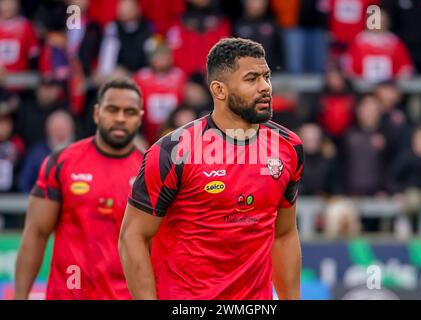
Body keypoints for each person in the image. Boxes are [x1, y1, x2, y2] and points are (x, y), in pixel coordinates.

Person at [119, 38, 304, 300]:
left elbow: (284, 235)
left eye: (266, 76)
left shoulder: (289, 147)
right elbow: (133, 237)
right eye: (251, 79)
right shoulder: (172, 152)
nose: (265, 87)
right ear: (219, 90)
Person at [14, 78, 144, 300]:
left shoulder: (150, 171)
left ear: (140, 118)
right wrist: (19, 296)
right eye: (112, 110)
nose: (120, 118)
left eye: (129, 112)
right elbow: (35, 234)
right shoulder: (62, 163)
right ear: (96, 113)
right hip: (68, 294)